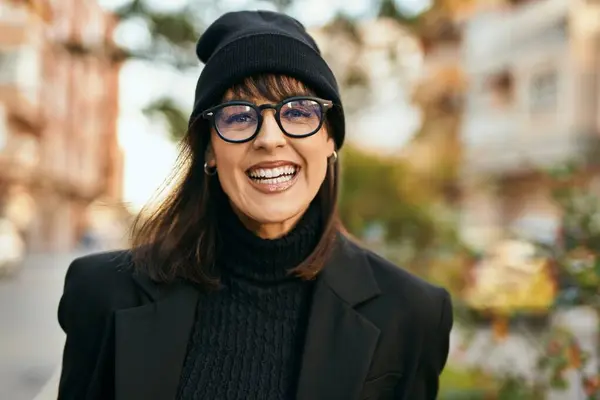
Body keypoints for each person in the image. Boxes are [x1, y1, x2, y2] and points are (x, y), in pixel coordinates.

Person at [57, 10, 453, 400]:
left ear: (330, 139)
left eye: (298, 112)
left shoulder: (410, 312)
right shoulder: (103, 293)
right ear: (208, 150)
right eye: (237, 116)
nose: (269, 138)